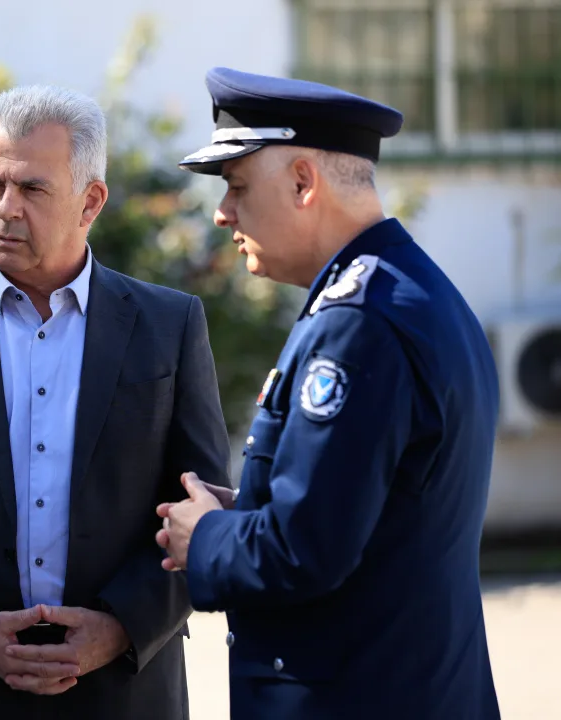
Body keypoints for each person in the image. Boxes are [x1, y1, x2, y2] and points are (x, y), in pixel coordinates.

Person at [0, 85, 231, 719]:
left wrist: (120, 626)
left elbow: (201, 504)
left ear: (91, 201)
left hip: (122, 691)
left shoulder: (168, 326)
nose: (5, 208)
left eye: (31, 188)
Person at [156, 67, 502, 720]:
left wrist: (204, 537)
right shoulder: (415, 292)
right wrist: (247, 514)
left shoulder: (358, 323)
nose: (222, 212)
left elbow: (303, 551)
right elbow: (371, 514)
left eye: (236, 185)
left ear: (302, 182)